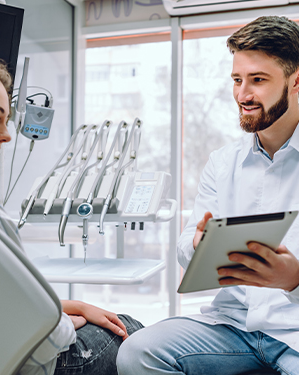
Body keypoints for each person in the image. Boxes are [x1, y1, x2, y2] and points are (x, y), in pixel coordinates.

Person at [0, 45, 143, 375]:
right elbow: (45, 340)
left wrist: (68, 307)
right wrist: (69, 321)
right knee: (132, 329)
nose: (7, 135)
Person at [117, 15, 299, 375]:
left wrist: (294, 279)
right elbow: (187, 245)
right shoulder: (222, 162)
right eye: (237, 80)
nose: (243, 95)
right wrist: (200, 244)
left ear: (296, 82)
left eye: (258, 80)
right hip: (233, 326)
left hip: (295, 329)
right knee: (137, 353)